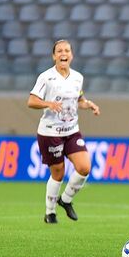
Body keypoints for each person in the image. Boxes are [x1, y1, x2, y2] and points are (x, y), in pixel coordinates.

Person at [28, 39, 100, 224]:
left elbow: (78, 100)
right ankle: (50, 212)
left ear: (71, 55)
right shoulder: (46, 77)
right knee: (58, 173)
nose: (63, 53)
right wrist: (48, 103)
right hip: (50, 133)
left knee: (84, 167)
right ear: (54, 56)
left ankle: (66, 200)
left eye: (67, 50)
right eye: (59, 51)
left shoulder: (77, 77)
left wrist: (88, 104)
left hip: (71, 130)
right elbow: (32, 101)